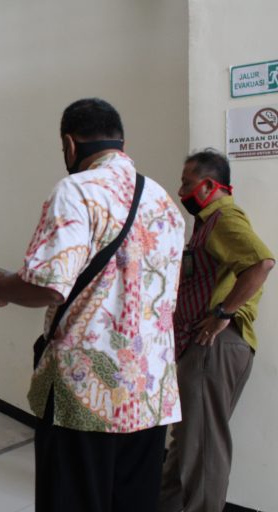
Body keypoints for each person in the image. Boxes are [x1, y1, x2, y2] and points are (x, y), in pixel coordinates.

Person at [0, 98, 185, 512]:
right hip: (149, 391)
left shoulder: (75, 190)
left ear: (70, 145)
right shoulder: (163, 200)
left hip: (84, 393)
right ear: (121, 141)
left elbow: (49, 285)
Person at [158, 150, 274, 512]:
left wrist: (224, 312)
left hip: (214, 347)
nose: (181, 191)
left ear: (209, 186)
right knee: (187, 444)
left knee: (203, 449)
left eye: (187, 183)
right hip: (203, 348)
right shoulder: (207, 223)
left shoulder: (224, 217)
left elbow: (261, 262)